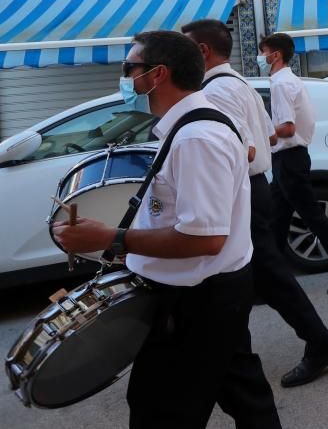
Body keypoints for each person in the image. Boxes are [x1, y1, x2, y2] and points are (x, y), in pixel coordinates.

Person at [52, 30, 281, 428]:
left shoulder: (197, 137)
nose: (125, 79)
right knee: (244, 395)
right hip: (207, 293)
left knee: (159, 411)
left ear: (157, 74)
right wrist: (132, 247)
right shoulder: (188, 126)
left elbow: (205, 238)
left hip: (196, 301)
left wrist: (109, 237)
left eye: (130, 69)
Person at [183, 20, 328, 388]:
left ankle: (320, 342)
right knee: (257, 272)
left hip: (244, 187)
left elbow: (243, 147)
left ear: (203, 51)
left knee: (269, 272)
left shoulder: (221, 90)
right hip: (255, 185)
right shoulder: (235, 84)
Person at [259, 33, 328, 295]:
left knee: (314, 219)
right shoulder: (288, 81)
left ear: (275, 55)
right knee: (277, 220)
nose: (260, 57)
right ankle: (271, 283)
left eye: (263, 52)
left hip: (289, 158)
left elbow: (287, 128)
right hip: (289, 159)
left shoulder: (281, 85)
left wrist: (262, 136)